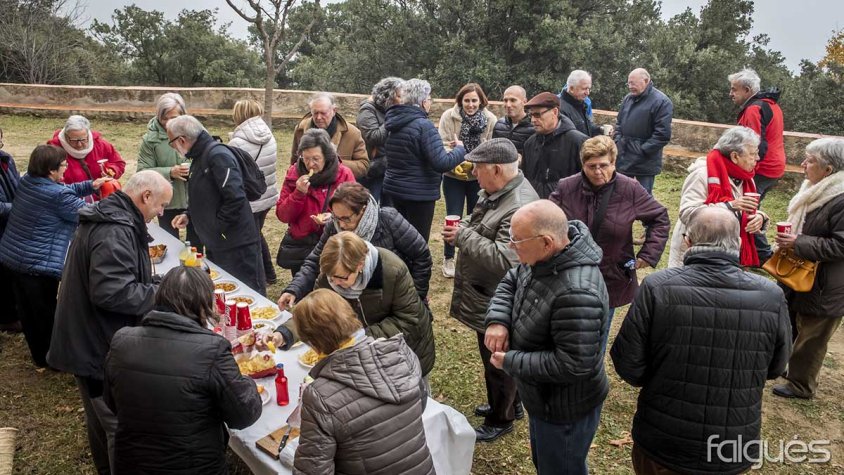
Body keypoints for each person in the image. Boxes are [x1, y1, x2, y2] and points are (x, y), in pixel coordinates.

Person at [611, 207, 791, 475]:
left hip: (663, 441)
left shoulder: (657, 286)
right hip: (731, 445)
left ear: (687, 241)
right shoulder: (771, 295)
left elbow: (629, 365)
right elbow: (776, 366)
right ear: (739, 242)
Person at [47, 170, 173, 475]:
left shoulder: (117, 218)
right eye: (160, 205)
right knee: (117, 425)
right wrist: (162, 293)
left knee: (100, 419)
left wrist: (152, 280)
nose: (161, 212)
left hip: (87, 337)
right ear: (145, 197)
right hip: (96, 344)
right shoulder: (115, 229)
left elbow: (119, 277)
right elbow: (111, 290)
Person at [484, 200, 609, 474]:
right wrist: (498, 320)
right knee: (546, 463)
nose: (511, 246)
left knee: (560, 467)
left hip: (564, 409)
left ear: (546, 241)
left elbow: (573, 364)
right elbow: (513, 278)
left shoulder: (577, 294)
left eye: (517, 240)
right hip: (543, 398)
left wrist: (511, 361)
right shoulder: (543, 259)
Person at [104, 266, 262, 474]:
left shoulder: (121, 340)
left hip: (133, 464)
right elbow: (244, 415)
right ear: (203, 304)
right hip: (194, 466)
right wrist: (248, 381)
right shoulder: (212, 350)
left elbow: (111, 401)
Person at [443, 138, 539, 442]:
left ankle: (501, 418)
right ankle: (513, 404)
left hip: (500, 298)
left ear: (496, 170)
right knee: (498, 357)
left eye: (478, 169)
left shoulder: (519, 206)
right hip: (488, 294)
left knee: (497, 361)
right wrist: (465, 229)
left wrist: (462, 238)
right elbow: (477, 222)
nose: (473, 175)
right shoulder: (497, 192)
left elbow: (505, 260)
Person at [292, 289, 435, 475]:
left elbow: (312, 470)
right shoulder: (401, 353)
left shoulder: (320, 396)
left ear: (313, 342)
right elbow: (419, 406)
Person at [550, 135, 669, 350]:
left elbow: (660, 218)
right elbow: (547, 220)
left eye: (604, 165)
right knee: (566, 332)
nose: (598, 172)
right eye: (591, 166)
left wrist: (647, 254)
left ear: (614, 163)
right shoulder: (567, 187)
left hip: (610, 276)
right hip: (569, 274)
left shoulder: (629, 189)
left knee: (597, 337)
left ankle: (590, 378)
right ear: (582, 165)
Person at [268, 232, 435, 376]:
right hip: (361, 354)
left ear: (360, 265)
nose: (335, 283)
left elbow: (409, 321)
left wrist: (359, 338)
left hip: (403, 353)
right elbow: (315, 314)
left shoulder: (392, 270)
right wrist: (283, 335)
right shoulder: (330, 276)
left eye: (342, 277)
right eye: (331, 277)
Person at [0, 145, 108, 367]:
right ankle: (52, 358)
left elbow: (63, 190)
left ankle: (39, 355)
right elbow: (90, 213)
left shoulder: (29, 181)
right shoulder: (57, 196)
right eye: (63, 165)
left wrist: (90, 185)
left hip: (13, 256)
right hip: (37, 263)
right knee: (45, 313)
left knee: (28, 312)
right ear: (51, 170)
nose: (66, 168)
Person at [277, 182, 431, 309]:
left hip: (395, 299)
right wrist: (294, 289)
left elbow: (421, 255)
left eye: (346, 218)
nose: (341, 225)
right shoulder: (334, 226)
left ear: (363, 210)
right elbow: (315, 261)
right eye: (336, 217)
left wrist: (415, 297)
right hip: (359, 305)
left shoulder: (388, 219)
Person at [772, 138, 844, 400]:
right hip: (802, 274)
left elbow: (841, 245)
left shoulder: (840, 198)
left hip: (827, 284)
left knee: (812, 337)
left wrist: (798, 242)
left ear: (828, 169)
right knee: (793, 324)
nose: (803, 164)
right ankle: (790, 371)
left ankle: (801, 385)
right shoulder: (815, 190)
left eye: (810, 160)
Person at [168, 115, 266, 295]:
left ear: (182, 139)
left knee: (248, 293)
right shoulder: (200, 156)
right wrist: (189, 215)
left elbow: (235, 198)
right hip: (219, 242)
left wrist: (217, 227)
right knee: (227, 293)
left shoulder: (218, 156)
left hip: (236, 245)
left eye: (171, 143)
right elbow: (208, 195)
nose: (173, 147)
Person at [667, 126, 770, 268]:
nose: (757, 158)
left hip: (729, 253)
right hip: (696, 252)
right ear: (735, 156)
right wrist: (730, 206)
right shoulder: (702, 174)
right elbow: (687, 212)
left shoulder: (746, 179)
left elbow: (742, 210)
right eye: (752, 154)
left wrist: (760, 218)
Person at [383, 78, 467, 240]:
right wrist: (460, 149)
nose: (430, 103)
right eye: (429, 99)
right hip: (418, 195)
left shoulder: (392, 122)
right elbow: (441, 162)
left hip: (394, 190)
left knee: (399, 240)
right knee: (417, 243)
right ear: (422, 102)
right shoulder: (423, 126)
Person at [276, 128, 356, 277]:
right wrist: (298, 194)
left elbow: (354, 212)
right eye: (305, 158)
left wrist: (332, 218)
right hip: (302, 245)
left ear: (326, 156)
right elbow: (283, 215)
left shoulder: (344, 174)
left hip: (333, 243)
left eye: (316, 159)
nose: (310, 164)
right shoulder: (294, 174)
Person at [437, 83, 497, 278]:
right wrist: (455, 157)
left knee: (476, 216)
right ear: (460, 101)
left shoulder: (490, 120)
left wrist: (474, 162)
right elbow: (443, 143)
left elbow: (491, 147)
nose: (470, 105)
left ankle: (470, 256)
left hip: (477, 176)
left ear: (481, 101)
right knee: (453, 216)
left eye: (474, 101)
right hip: (453, 175)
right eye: (467, 101)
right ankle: (448, 258)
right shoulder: (449, 116)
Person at [729, 68, 785, 263]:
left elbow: (753, 144)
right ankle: (753, 252)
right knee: (750, 209)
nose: (731, 94)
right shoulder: (771, 105)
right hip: (774, 167)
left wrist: (744, 170)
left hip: (761, 168)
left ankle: (764, 255)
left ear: (746, 89)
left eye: (734, 89)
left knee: (747, 210)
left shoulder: (754, 109)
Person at [137, 92, 200, 246]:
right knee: (169, 242)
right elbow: (143, 172)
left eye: (174, 118)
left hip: (194, 198)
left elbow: (205, 160)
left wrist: (191, 169)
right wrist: (170, 172)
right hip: (166, 200)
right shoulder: (150, 140)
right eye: (164, 118)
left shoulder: (195, 133)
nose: (168, 123)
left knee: (196, 242)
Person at [229, 99, 280, 285]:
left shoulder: (238, 141)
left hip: (251, 199)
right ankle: (269, 274)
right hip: (266, 195)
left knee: (252, 238)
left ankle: (264, 274)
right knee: (256, 233)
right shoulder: (269, 135)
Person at [614, 68, 673, 195]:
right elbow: (619, 122)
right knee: (620, 195)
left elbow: (662, 135)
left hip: (645, 161)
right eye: (628, 83)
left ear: (646, 81)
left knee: (643, 199)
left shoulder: (662, 102)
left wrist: (642, 150)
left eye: (633, 83)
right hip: (624, 156)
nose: (630, 86)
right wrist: (618, 140)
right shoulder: (628, 99)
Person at [521, 92, 588, 198]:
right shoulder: (529, 143)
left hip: (566, 209)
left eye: (537, 115)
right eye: (531, 115)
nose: (533, 120)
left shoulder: (578, 142)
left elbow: (587, 182)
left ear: (555, 112)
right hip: (535, 207)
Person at [291, 92, 369, 180]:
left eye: (323, 113)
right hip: (308, 187)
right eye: (315, 113)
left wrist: (334, 163)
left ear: (334, 111)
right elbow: (294, 162)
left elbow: (363, 166)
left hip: (339, 188)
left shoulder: (352, 133)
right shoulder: (300, 129)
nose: (319, 117)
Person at [47, 115, 126, 201]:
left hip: (103, 199)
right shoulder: (54, 151)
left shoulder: (101, 145)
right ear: (66, 136)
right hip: (71, 202)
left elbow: (118, 163)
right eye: (74, 140)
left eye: (83, 139)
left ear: (88, 134)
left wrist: (112, 171)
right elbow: (51, 184)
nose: (79, 144)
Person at [357, 77, 403, 202]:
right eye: (399, 96)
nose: (402, 100)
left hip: (387, 168)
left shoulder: (387, 110)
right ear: (387, 97)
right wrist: (391, 117)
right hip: (373, 171)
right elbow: (374, 137)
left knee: (389, 209)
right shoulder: (367, 110)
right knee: (371, 206)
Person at [0, 128, 22, 333]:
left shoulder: (6, 159)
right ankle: (7, 317)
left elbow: (18, 185)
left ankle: (14, 312)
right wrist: (18, 208)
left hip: (10, 226)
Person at [558, 70, 605, 137]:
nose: (587, 93)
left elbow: (586, 127)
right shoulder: (560, 109)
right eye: (584, 89)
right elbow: (568, 138)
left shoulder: (581, 104)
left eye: (589, 89)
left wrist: (600, 129)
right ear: (571, 88)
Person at [492, 85, 535, 156]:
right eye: (505, 100)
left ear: (524, 102)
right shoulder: (499, 125)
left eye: (513, 100)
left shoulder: (534, 127)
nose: (508, 105)